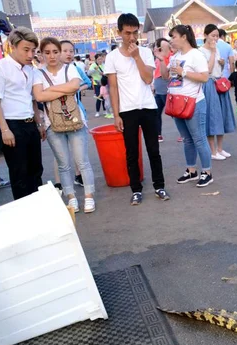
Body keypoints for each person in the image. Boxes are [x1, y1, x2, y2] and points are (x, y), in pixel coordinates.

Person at [106, 13, 169, 205]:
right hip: (127, 110)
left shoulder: (145, 52)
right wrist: (116, 115)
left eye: (135, 32)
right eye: (127, 33)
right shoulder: (112, 57)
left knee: (153, 149)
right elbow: (113, 88)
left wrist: (136, 57)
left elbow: (148, 79)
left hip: (148, 107)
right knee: (131, 152)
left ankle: (159, 186)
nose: (132, 37)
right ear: (119, 33)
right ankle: (136, 190)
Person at [33, 37, 96, 213]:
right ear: (41, 54)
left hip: (76, 121)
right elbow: (39, 97)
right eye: (47, 52)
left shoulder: (70, 68)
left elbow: (75, 86)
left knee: (82, 161)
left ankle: (89, 196)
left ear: (60, 52)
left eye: (55, 52)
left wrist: (50, 90)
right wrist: (64, 88)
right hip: (51, 123)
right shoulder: (38, 73)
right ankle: (71, 198)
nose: (52, 56)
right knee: (63, 164)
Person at [0, 27, 46, 200]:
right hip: (11, 125)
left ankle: (38, 207)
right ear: (13, 46)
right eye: (26, 50)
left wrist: (39, 122)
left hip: (30, 124)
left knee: (36, 170)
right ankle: (24, 212)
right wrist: (5, 130)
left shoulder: (30, 69)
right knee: (19, 174)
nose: (30, 55)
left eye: (33, 50)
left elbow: (32, 99)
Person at [160, 25, 214, 188]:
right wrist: (162, 59)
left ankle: (207, 172)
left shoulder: (196, 55)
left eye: (174, 37)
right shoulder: (176, 55)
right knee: (187, 139)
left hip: (193, 102)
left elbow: (205, 77)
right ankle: (191, 170)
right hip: (177, 103)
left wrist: (183, 72)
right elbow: (165, 76)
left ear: (184, 37)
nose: (171, 40)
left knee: (199, 139)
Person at [200, 24, 236, 161]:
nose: (215, 38)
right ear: (205, 35)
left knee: (222, 116)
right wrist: (214, 53)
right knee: (212, 117)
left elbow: (219, 70)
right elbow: (207, 70)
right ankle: (212, 151)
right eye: (212, 35)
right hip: (209, 84)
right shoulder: (201, 51)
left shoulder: (218, 50)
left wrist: (221, 63)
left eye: (216, 36)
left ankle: (220, 149)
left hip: (220, 83)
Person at [60, 40, 92, 187]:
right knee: (61, 153)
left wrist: (76, 89)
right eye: (65, 50)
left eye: (71, 51)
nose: (69, 54)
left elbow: (87, 82)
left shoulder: (75, 68)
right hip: (57, 115)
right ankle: (60, 183)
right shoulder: (50, 71)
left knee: (80, 149)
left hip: (77, 112)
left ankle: (80, 177)